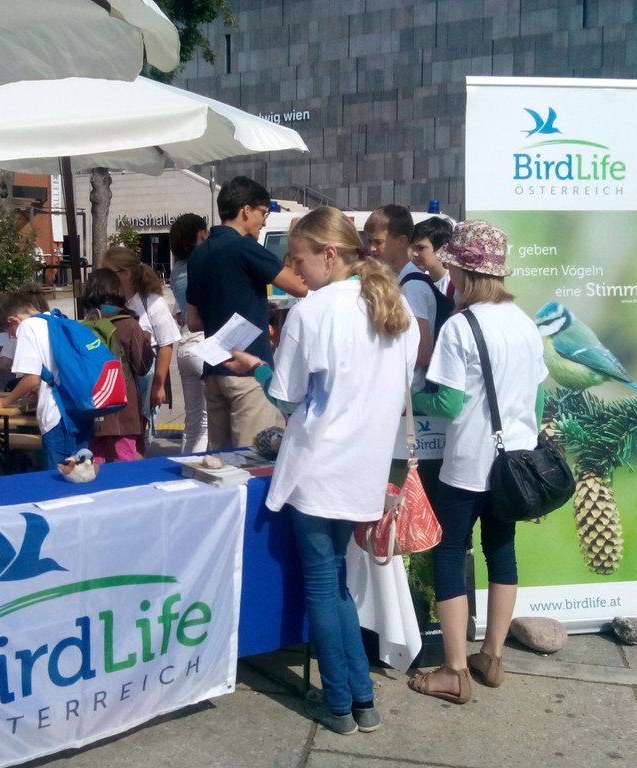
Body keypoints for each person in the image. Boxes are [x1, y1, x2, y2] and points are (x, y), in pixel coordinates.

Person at [223, 206, 418, 735]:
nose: (293, 271)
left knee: (323, 586)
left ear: (329, 254)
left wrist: (256, 367)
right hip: (364, 469)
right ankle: (360, 699)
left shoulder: (313, 312)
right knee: (336, 585)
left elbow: (286, 398)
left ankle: (339, 703)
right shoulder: (393, 307)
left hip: (318, 468)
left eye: (298, 259)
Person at [407, 220, 547, 705]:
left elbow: (447, 404)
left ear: (463, 272)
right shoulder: (525, 322)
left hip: (469, 463)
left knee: (448, 552)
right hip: (516, 464)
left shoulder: (459, 326)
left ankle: (453, 670)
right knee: (501, 549)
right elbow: (539, 397)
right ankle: (492, 656)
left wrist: (410, 395)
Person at [185, 176, 308, 451]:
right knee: (252, 458)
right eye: (263, 213)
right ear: (246, 210)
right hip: (249, 369)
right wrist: (295, 244)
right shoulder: (245, 247)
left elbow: (193, 321)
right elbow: (300, 287)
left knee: (220, 462)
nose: (263, 222)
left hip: (214, 371)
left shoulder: (198, 255)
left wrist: (239, 310)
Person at [0, 290, 86, 469]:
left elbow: (32, 379)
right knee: (79, 472)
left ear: (13, 320)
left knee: (59, 476)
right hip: (80, 410)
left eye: (10, 333)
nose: (12, 337)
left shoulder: (28, 327)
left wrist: (4, 402)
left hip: (57, 416)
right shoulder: (55, 319)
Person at [101, 246, 180, 449]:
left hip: (144, 376)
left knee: (137, 433)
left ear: (125, 273)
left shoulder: (152, 302)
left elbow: (166, 344)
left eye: (108, 272)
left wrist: (159, 386)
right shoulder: (110, 302)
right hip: (117, 377)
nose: (104, 278)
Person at [82, 269, 155, 462]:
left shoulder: (85, 324)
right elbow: (142, 367)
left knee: (94, 455)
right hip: (124, 403)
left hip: (93, 401)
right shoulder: (128, 323)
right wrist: (146, 341)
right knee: (124, 456)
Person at [365, 204, 435, 377]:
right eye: (370, 242)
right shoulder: (400, 280)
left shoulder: (412, 286)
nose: (371, 249)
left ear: (401, 242)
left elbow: (422, 353)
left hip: (411, 386)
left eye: (378, 242)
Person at [168, 213, 210, 453]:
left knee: (192, 422)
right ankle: (198, 471)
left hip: (184, 346)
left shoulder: (176, 272)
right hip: (204, 344)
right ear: (201, 234)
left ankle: (186, 468)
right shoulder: (202, 265)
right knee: (206, 425)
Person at [410, 216, 455, 298]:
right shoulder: (418, 281)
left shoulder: (454, 286)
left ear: (443, 248)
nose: (414, 253)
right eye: (412, 247)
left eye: (421, 248)